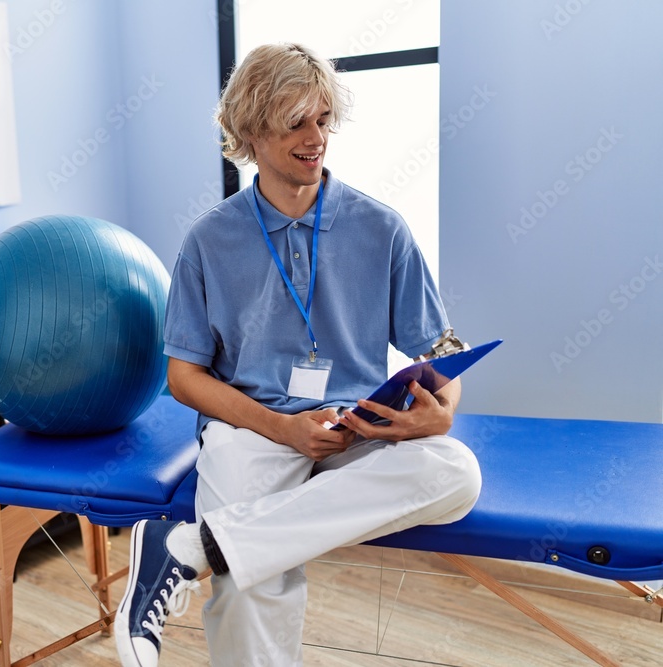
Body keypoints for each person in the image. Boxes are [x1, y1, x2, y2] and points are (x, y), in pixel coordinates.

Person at [115, 43, 482, 667]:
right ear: (251, 132)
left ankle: (189, 550)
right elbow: (184, 377)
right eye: (296, 123)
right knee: (255, 582)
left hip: (356, 426)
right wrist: (281, 426)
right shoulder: (208, 240)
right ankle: (223, 549)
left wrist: (441, 410)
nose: (316, 139)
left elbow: (442, 348)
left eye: (322, 120)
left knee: (456, 473)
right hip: (251, 427)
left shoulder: (381, 228)